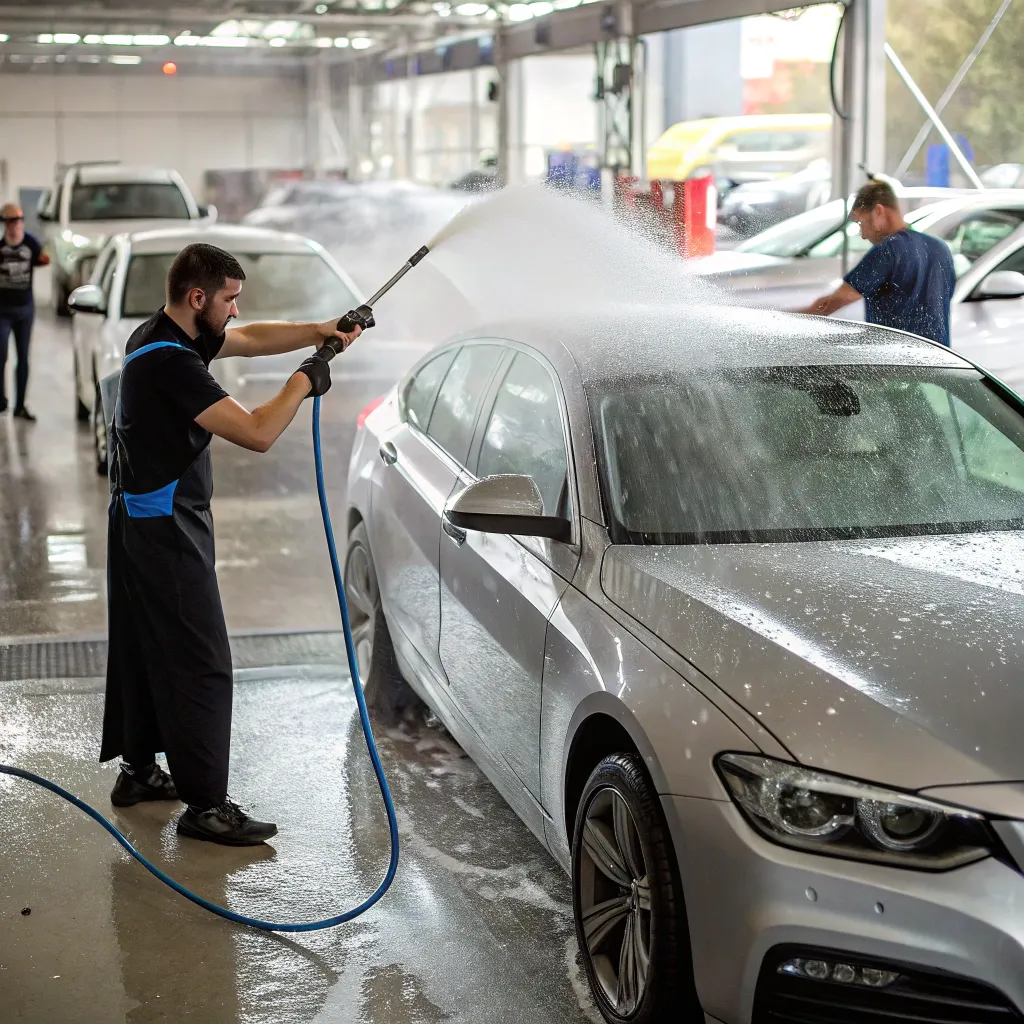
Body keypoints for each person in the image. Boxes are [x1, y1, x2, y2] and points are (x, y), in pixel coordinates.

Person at [101, 242, 361, 846]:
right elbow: (258, 431)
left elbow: (249, 339)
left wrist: (318, 331)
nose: (237, 313)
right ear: (199, 299)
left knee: (146, 646)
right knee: (202, 662)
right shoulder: (171, 362)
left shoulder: (161, 334)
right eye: (230, 300)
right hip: (164, 528)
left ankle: (138, 772)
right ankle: (206, 807)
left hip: (144, 519)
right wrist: (304, 380)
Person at [798, 179, 957, 347]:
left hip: (897, 362)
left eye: (860, 223)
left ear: (879, 211)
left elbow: (836, 301)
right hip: (941, 361)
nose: (863, 235)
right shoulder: (940, 248)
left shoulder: (888, 250)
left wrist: (792, 321)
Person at [0, 202, 49, 419]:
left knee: (23, 357)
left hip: (25, 309)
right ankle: (1, 400)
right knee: (1, 354)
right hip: (2, 310)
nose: (15, 225)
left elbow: (44, 258)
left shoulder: (30, 243)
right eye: (11, 221)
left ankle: (20, 405)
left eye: (19, 220)